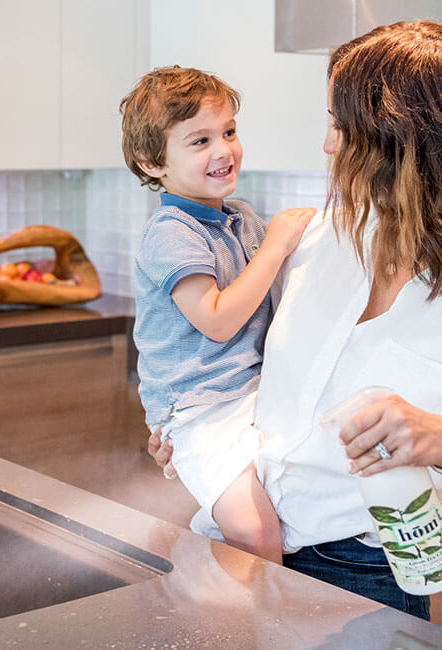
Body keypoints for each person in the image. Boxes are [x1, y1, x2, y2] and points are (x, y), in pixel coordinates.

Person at [148, 21, 442, 620]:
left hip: (365, 580)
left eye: (339, 125)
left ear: (404, 142)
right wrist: (193, 425)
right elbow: (233, 354)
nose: (327, 145)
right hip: (235, 545)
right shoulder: (316, 240)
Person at [120, 66, 315, 563]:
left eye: (228, 131)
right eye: (200, 140)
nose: (224, 150)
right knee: (254, 532)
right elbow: (217, 319)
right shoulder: (170, 231)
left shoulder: (241, 218)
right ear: (151, 162)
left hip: (250, 396)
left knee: (270, 514)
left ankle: (216, 581)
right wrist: (274, 247)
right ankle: (257, 635)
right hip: (200, 408)